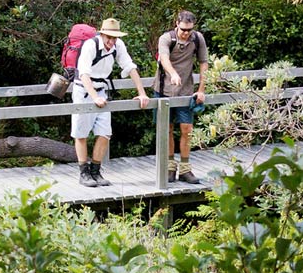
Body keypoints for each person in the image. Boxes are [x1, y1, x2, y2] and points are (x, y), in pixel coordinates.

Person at [72, 18, 150, 187]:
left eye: (114, 37)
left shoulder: (118, 45)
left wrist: (142, 93)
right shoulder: (90, 46)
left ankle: (96, 170)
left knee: (105, 132)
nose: (111, 41)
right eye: (108, 37)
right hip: (84, 91)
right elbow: (83, 74)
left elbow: (130, 67)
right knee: (81, 133)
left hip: (102, 90)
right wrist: (94, 97)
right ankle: (83, 172)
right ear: (102, 34)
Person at [154, 10, 208, 184]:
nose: (186, 33)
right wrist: (173, 74)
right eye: (183, 29)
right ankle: (170, 167)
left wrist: (201, 89)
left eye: (189, 30)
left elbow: (203, 63)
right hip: (164, 89)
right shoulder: (166, 39)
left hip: (186, 90)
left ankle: (185, 169)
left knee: (187, 129)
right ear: (177, 23)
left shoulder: (197, 39)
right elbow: (164, 59)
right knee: (167, 129)